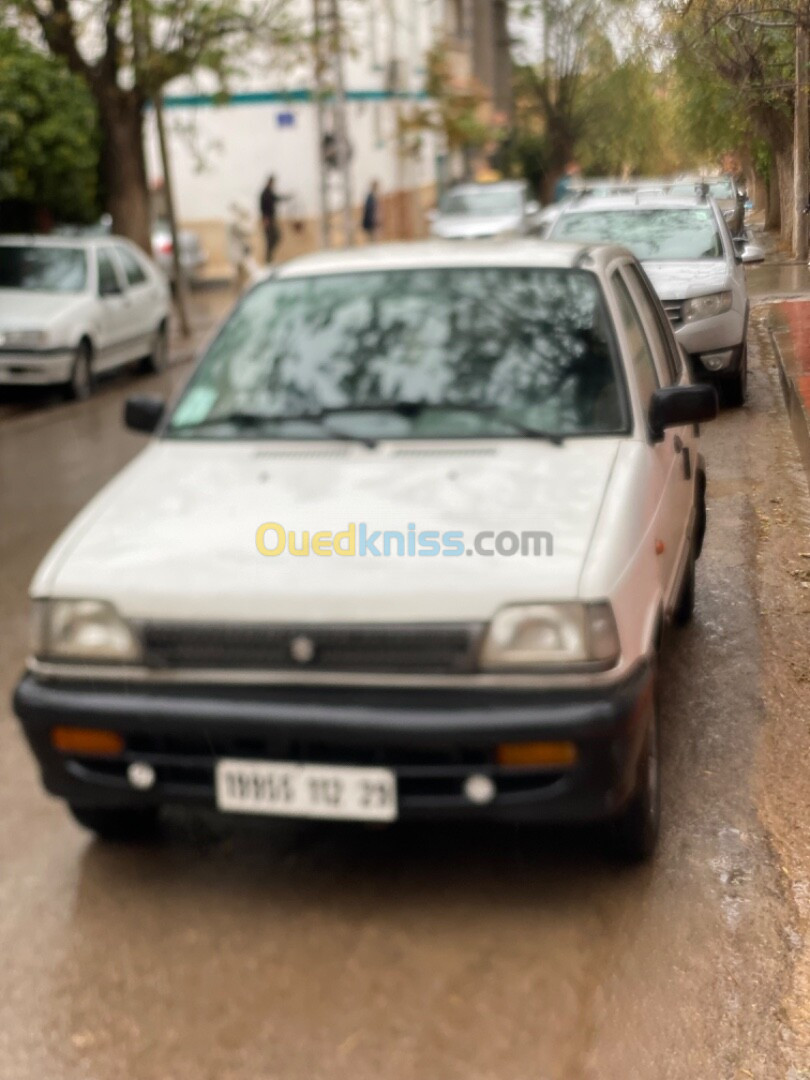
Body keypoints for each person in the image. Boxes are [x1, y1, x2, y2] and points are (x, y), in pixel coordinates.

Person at [259, 175, 289, 263]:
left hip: (271, 219)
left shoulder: (269, 192)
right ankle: (268, 259)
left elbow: (276, 199)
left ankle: (269, 258)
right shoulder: (265, 193)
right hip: (268, 220)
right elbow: (263, 207)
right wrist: (265, 219)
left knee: (275, 237)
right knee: (271, 238)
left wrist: (287, 198)